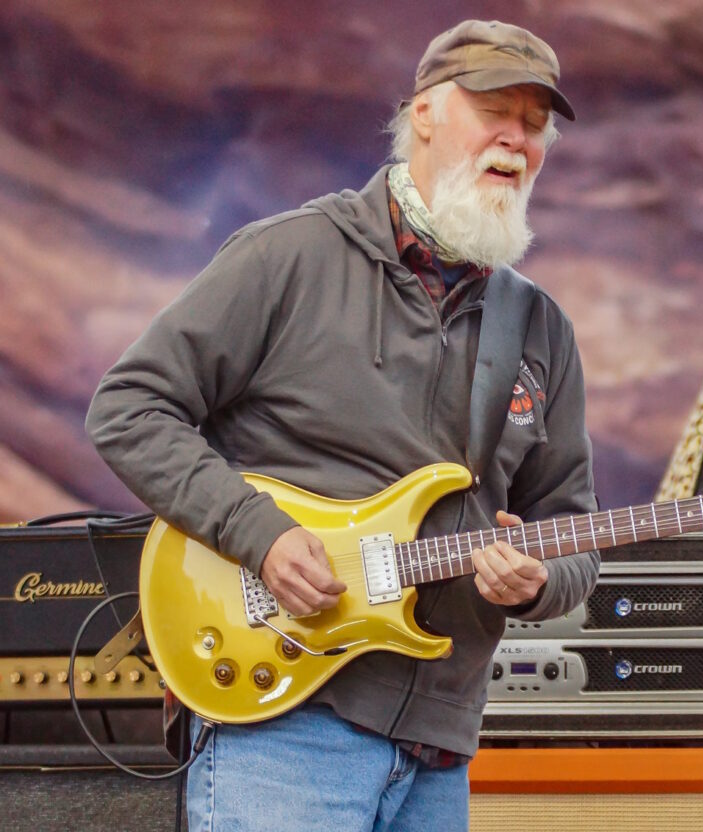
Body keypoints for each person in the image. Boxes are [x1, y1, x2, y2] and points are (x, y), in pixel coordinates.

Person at [85, 20, 597, 831]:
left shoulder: (539, 330)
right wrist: (261, 534)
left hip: (438, 744)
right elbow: (129, 407)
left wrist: (539, 584)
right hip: (284, 728)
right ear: (423, 112)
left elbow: (571, 529)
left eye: (536, 124)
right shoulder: (289, 257)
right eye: (495, 107)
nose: (516, 137)